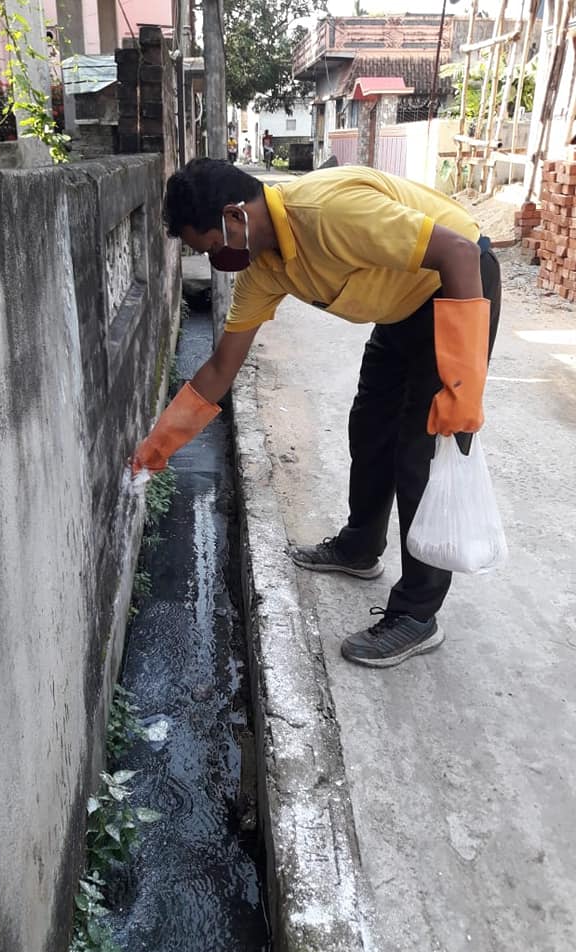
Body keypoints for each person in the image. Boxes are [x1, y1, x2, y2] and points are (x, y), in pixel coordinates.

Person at [132, 158, 500, 669]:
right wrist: (157, 447)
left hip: (456, 284)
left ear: (234, 216)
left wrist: (462, 384)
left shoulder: (327, 212)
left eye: (212, 247)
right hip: (401, 305)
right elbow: (220, 367)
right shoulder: (264, 269)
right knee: (369, 426)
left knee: (420, 453)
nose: (215, 260)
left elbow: (459, 252)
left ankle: (418, 615)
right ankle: (360, 547)